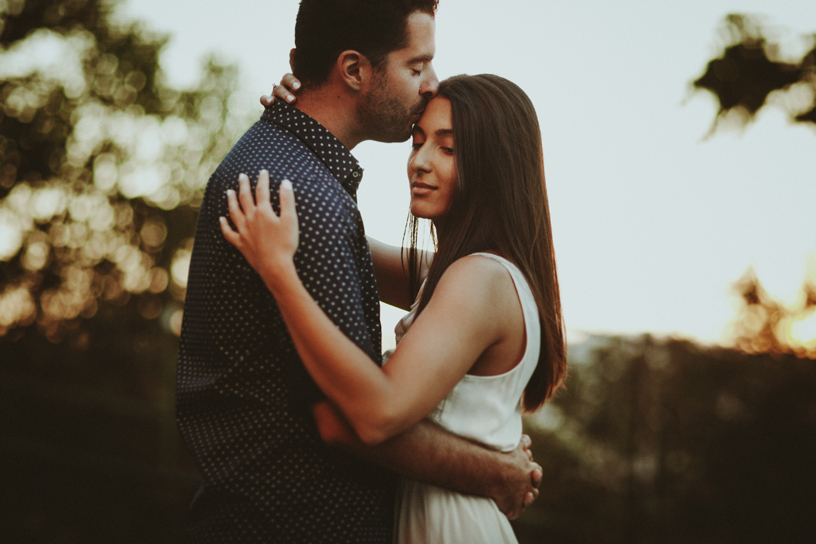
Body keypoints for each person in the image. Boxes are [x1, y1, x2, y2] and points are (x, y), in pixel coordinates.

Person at [175, 1, 541, 543]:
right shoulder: (306, 200)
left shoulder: (293, 184)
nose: (429, 85)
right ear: (352, 70)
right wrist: (497, 471)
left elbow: (429, 286)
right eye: (416, 67)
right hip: (291, 525)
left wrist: (295, 106)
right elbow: (353, 419)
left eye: (449, 148)